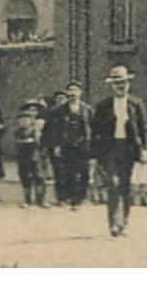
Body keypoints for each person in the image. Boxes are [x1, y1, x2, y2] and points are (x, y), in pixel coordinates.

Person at [90, 65, 147, 237]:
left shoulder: (136, 104)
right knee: (113, 184)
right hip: (110, 149)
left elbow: (144, 128)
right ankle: (113, 224)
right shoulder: (103, 106)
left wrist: (146, 149)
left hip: (129, 149)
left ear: (128, 84)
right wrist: (94, 156)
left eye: (123, 82)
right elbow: (96, 132)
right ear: (112, 86)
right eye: (117, 83)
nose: (121, 86)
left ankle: (123, 222)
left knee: (125, 187)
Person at [48, 81, 93, 209]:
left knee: (84, 172)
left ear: (80, 92)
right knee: (68, 171)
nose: (73, 93)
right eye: (70, 90)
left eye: (75, 90)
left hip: (83, 145)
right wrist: (56, 145)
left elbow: (92, 127)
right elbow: (55, 130)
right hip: (66, 144)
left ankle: (81, 197)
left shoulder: (87, 109)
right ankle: (70, 198)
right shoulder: (59, 110)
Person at [14, 100, 48, 207]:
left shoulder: (37, 129)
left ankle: (41, 199)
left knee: (40, 177)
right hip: (23, 157)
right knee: (25, 177)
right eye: (22, 119)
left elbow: (40, 142)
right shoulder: (18, 131)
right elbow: (17, 142)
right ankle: (27, 199)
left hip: (36, 156)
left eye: (27, 119)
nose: (24, 122)